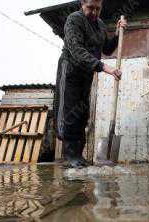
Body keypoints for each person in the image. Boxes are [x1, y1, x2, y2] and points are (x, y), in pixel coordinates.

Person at [53, 0, 127, 168]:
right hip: (70, 70)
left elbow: (107, 49)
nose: (94, 12)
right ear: (82, 4)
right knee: (69, 111)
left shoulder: (100, 25)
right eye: (90, 8)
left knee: (82, 113)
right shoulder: (74, 20)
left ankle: (79, 155)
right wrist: (104, 67)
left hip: (86, 74)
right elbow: (77, 50)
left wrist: (117, 34)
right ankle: (70, 155)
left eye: (97, 9)